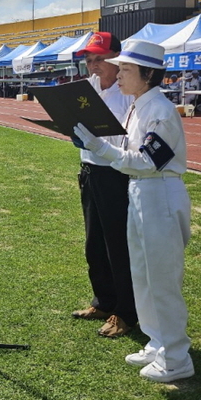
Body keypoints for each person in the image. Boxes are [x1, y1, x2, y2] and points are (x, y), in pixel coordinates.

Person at [73, 39, 194, 383]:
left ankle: (175, 357)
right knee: (142, 274)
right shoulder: (139, 105)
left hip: (159, 194)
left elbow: (149, 161)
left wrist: (101, 148)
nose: (120, 74)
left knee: (162, 279)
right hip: (140, 191)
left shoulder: (160, 110)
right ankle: (158, 343)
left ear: (148, 73)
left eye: (126, 68)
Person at [69, 32, 137, 339]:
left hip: (115, 173)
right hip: (90, 170)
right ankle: (103, 300)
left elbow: (127, 140)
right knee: (93, 244)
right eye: (88, 59)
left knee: (117, 247)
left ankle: (125, 311)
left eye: (99, 59)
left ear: (115, 60)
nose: (93, 66)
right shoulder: (89, 88)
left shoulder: (127, 93)